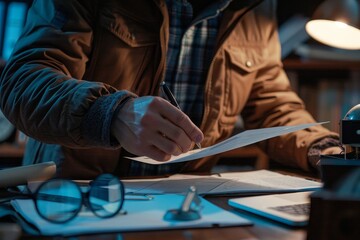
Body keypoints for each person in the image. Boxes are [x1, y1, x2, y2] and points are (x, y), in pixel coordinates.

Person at [0, 0, 342, 179]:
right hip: (78, 199)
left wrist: (321, 149)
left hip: (188, 204)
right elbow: (24, 80)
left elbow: (273, 104)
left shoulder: (254, 8)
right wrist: (111, 113)